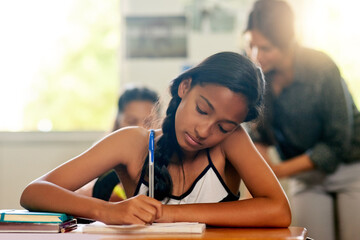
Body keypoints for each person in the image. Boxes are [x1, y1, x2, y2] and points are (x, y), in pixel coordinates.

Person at [20, 51, 291, 227]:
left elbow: (279, 210)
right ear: (185, 87)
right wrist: (108, 212)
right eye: (202, 110)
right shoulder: (131, 143)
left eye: (224, 126)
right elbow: (33, 192)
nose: (205, 131)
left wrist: (168, 214)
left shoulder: (232, 141)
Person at [244, 1, 360, 239]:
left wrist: (276, 171)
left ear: (286, 43)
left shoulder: (321, 67)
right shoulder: (259, 78)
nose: (256, 56)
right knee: (312, 235)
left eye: (265, 48)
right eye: (251, 45)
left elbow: (335, 144)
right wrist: (259, 181)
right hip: (305, 177)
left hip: (350, 168)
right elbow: (259, 136)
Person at [77, 86, 160, 202]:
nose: (140, 128)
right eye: (131, 122)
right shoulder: (103, 150)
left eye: (148, 122)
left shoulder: (166, 157)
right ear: (118, 121)